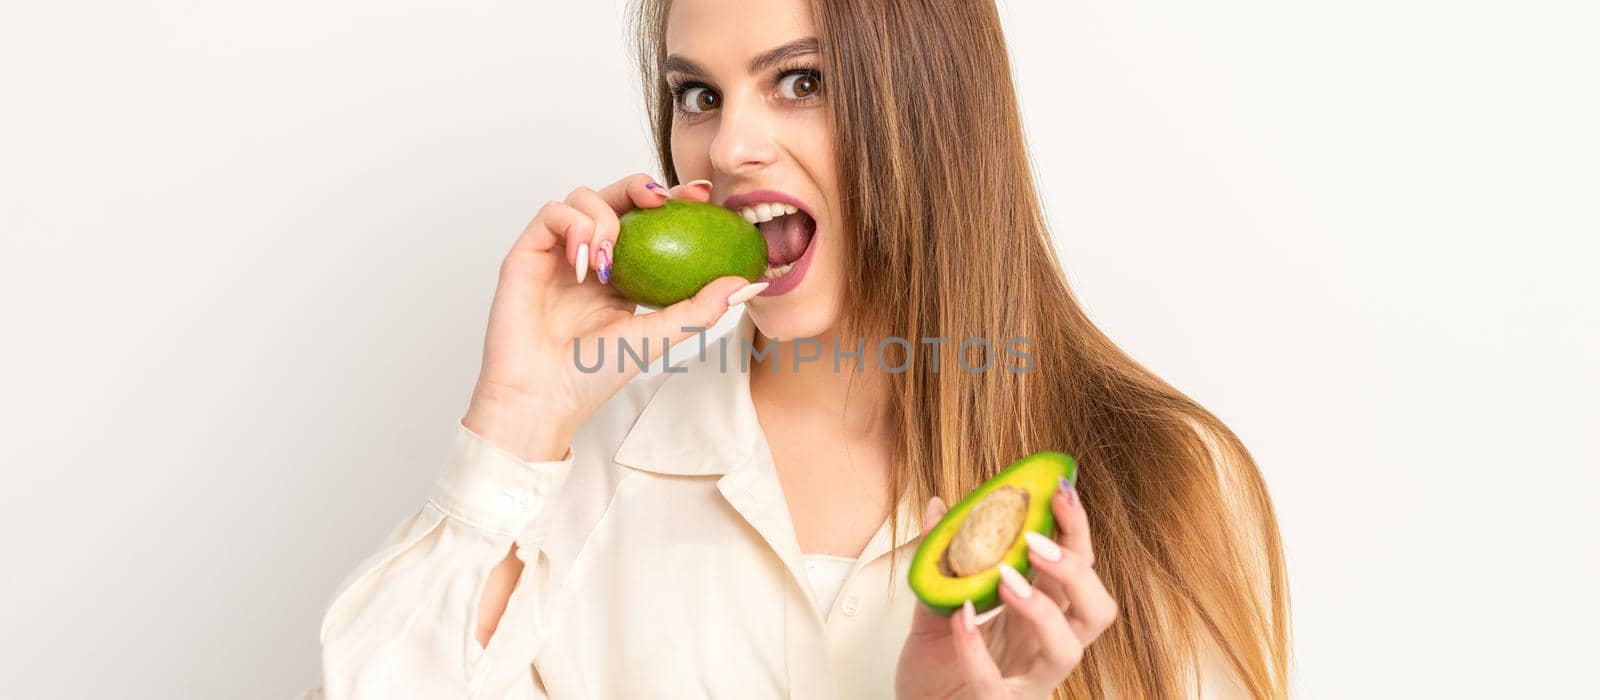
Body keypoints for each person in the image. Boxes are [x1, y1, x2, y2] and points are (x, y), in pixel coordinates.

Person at [301, 0, 1292, 697]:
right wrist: (514, 420)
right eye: (698, 94)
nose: (729, 146)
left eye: (800, 80)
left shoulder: (1165, 484)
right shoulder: (572, 479)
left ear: (937, 108)